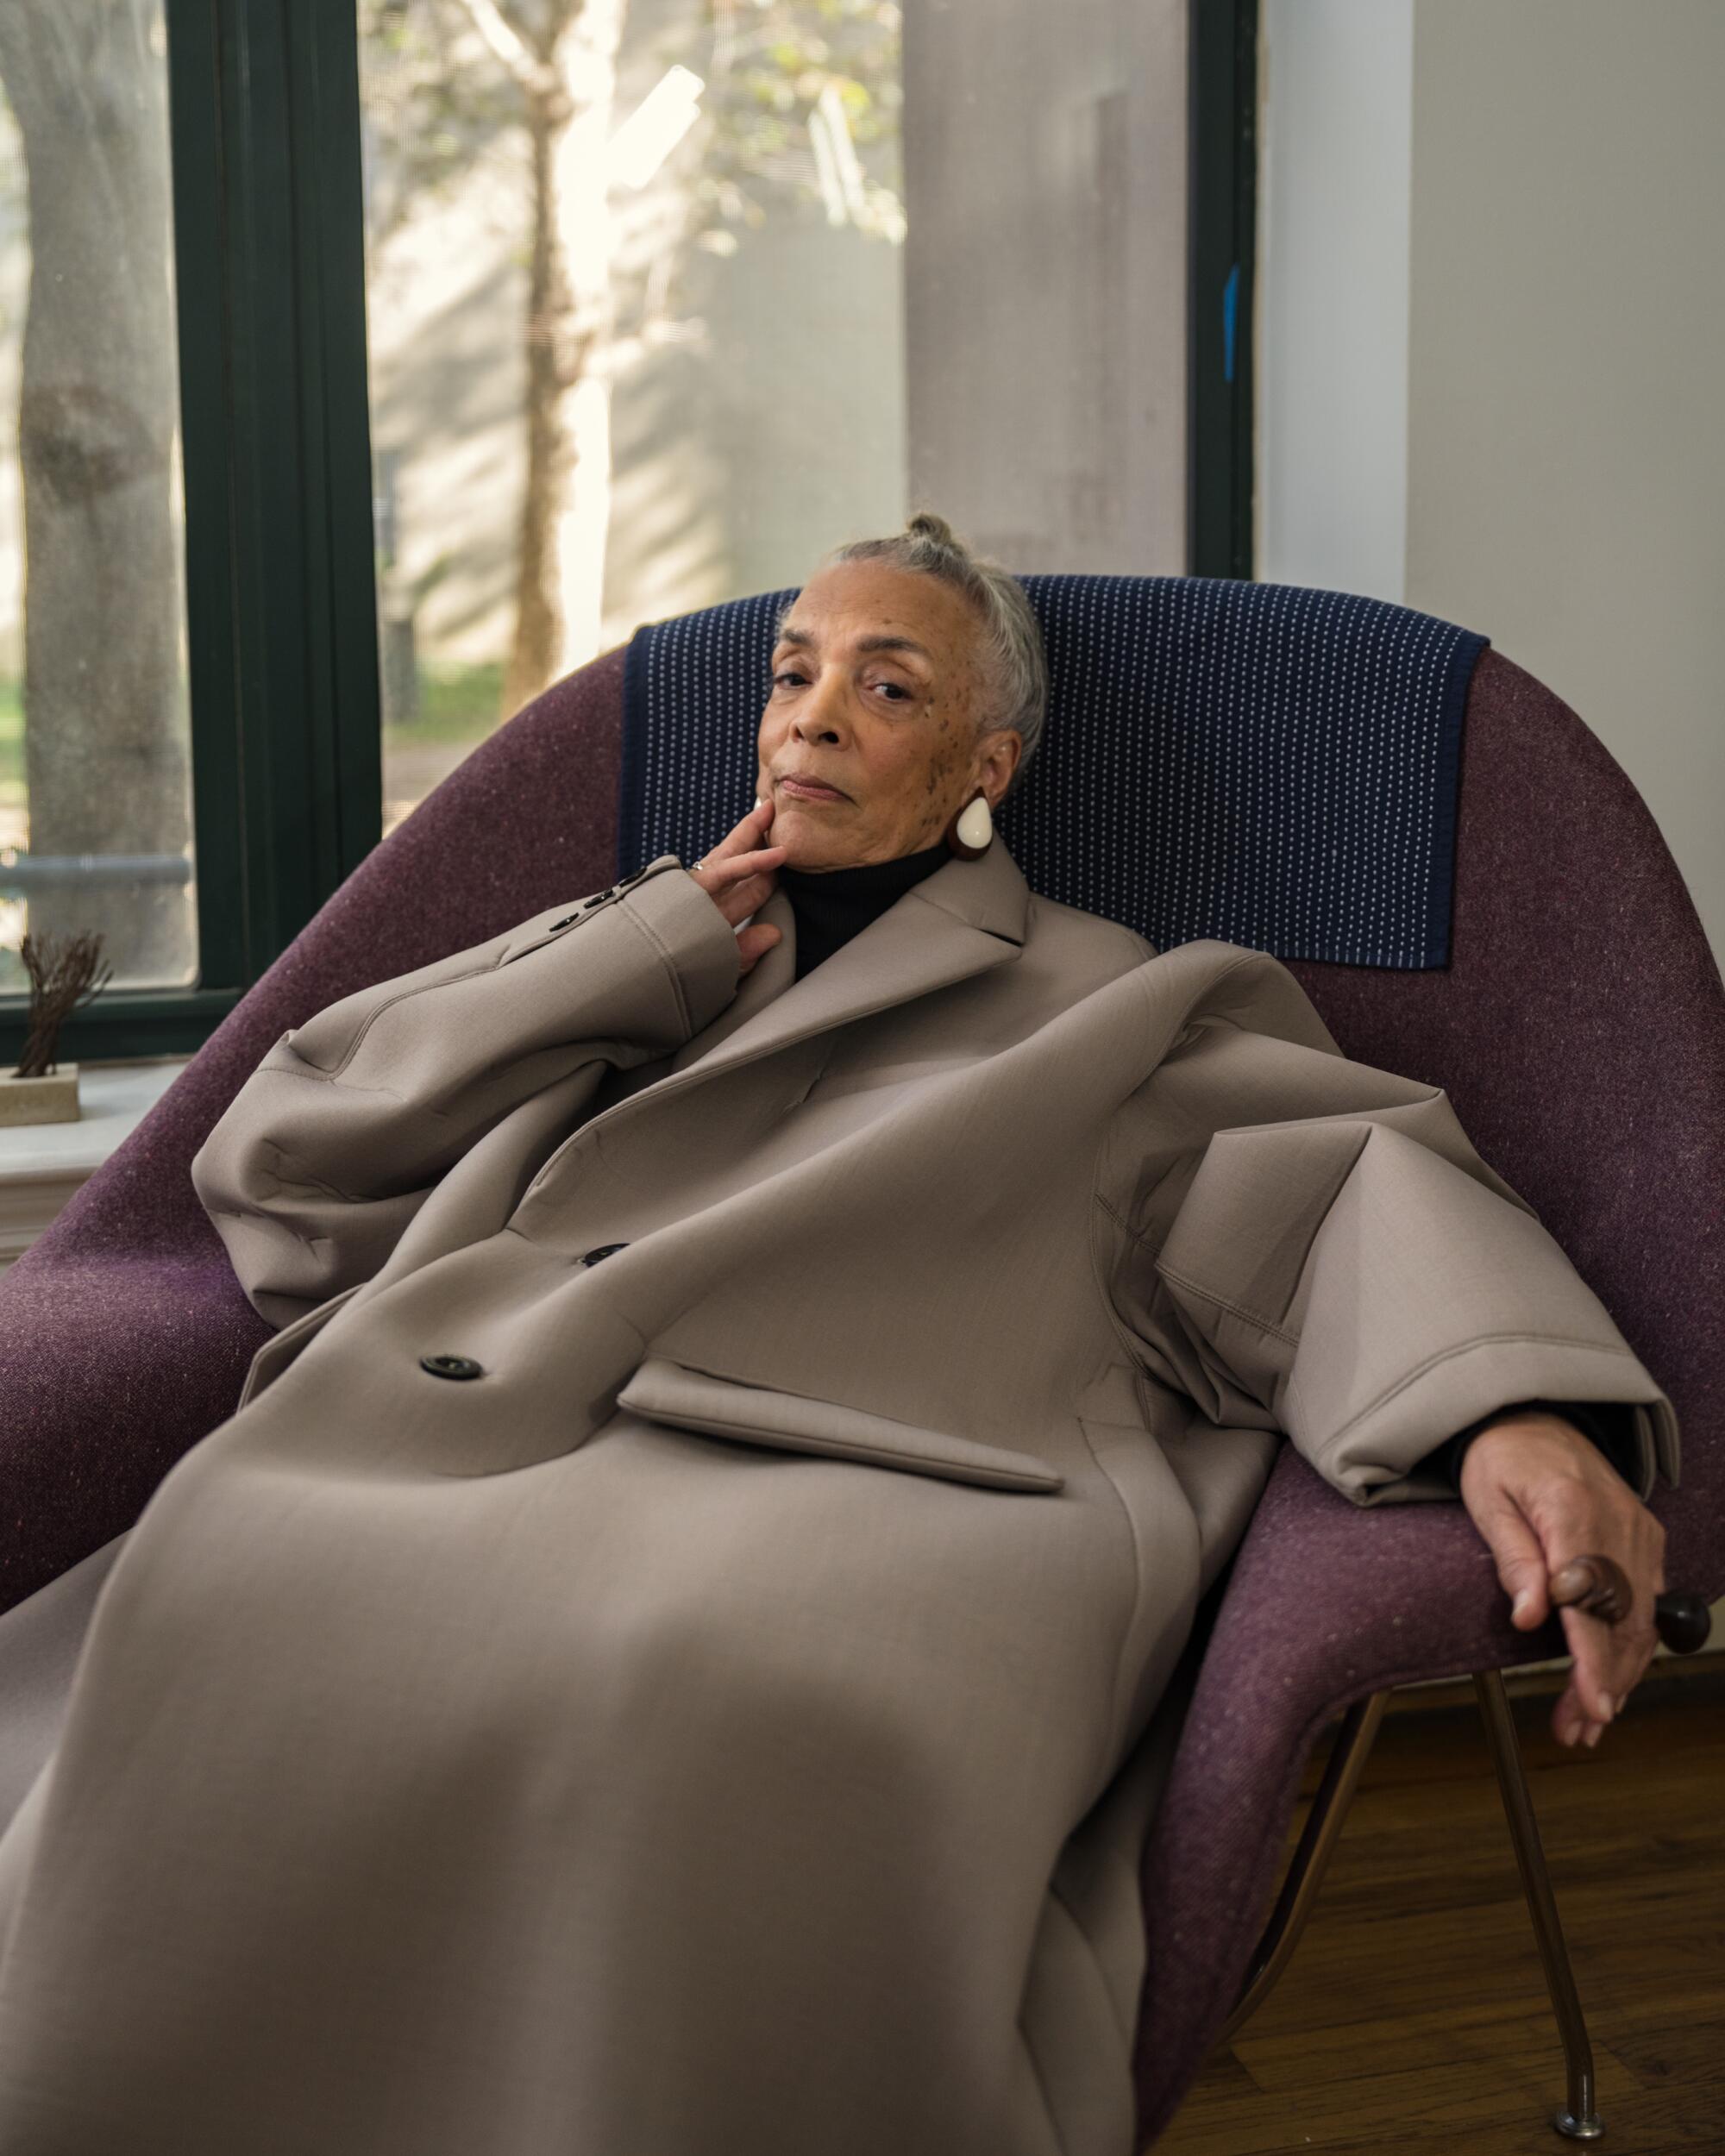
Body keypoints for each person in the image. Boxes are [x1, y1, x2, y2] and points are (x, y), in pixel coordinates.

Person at [0, 516, 1676, 2156]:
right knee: (245, 1577)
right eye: (793, 670)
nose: (810, 708)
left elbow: (1342, 1192)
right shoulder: (646, 953)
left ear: (985, 765)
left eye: (885, 686)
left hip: (900, 1482)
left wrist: (1504, 1414)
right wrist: (628, 952)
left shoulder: (1124, 995)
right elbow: (286, 1159)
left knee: (683, 1693)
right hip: (517, 1426)